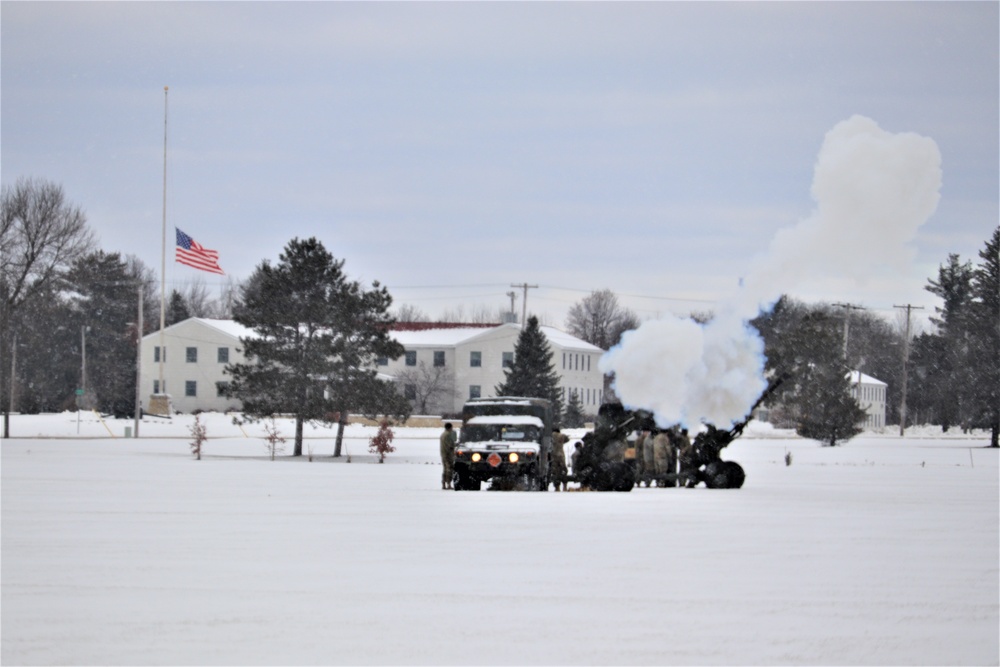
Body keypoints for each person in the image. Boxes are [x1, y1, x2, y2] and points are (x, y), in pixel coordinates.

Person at [439, 422, 457, 490]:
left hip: (443, 454)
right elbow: (450, 445)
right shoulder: (448, 435)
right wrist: (456, 445)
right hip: (448, 455)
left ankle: (444, 484)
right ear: (450, 427)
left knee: (445, 469)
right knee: (449, 470)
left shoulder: (443, 434)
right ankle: (448, 484)